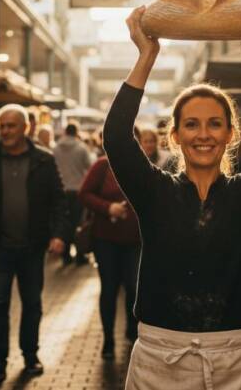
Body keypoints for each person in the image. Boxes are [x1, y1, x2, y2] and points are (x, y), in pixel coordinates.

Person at [104, 7, 241, 389]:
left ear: (231, 134)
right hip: (160, 357)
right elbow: (115, 135)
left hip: (235, 360)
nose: (203, 134)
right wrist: (147, 55)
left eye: (215, 123)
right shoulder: (153, 191)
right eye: (191, 124)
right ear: (175, 136)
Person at [0, 103, 72, 382]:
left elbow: (59, 200)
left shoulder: (43, 160)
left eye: (11, 125)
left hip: (31, 247)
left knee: (32, 305)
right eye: (2, 126)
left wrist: (60, 234)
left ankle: (30, 356)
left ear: (26, 128)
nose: (5, 131)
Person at [78, 128, 143, 359]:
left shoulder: (141, 166)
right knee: (109, 289)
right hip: (106, 240)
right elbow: (84, 194)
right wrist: (108, 207)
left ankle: (131, 333)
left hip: (136, 240)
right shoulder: (102, 166)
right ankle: (108, 339)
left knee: (134, 289)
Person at [52, 123, 95, 265]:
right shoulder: (81, 148)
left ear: (65, 132)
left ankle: (65, 254)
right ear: (76, 132)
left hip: (60, 189)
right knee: (77, 222)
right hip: (77, 189)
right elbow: (89, 167)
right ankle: (79, 254)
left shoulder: (56, 148)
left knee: (64, 221)